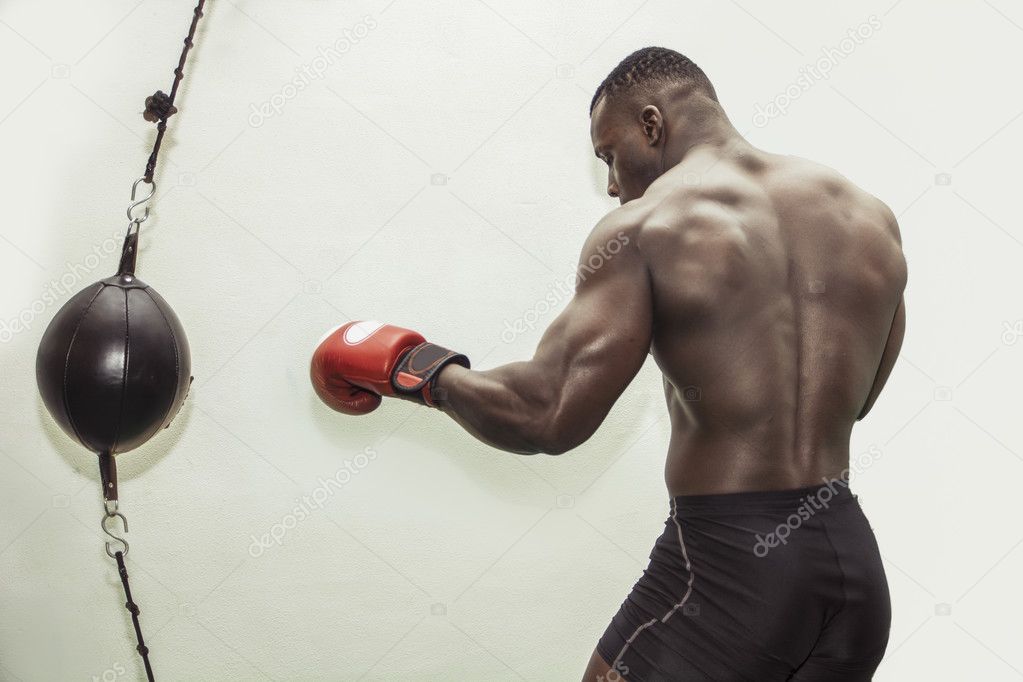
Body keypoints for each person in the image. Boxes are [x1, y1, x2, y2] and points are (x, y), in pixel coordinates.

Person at [310, 47, 905, 681]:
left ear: (653, 124)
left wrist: (418, 368)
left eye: (608, 156)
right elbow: (859, 396)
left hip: (734, 570)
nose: (615, 185)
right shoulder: (868, 216)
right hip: (851, 570)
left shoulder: (647, 226)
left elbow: (548, 413)